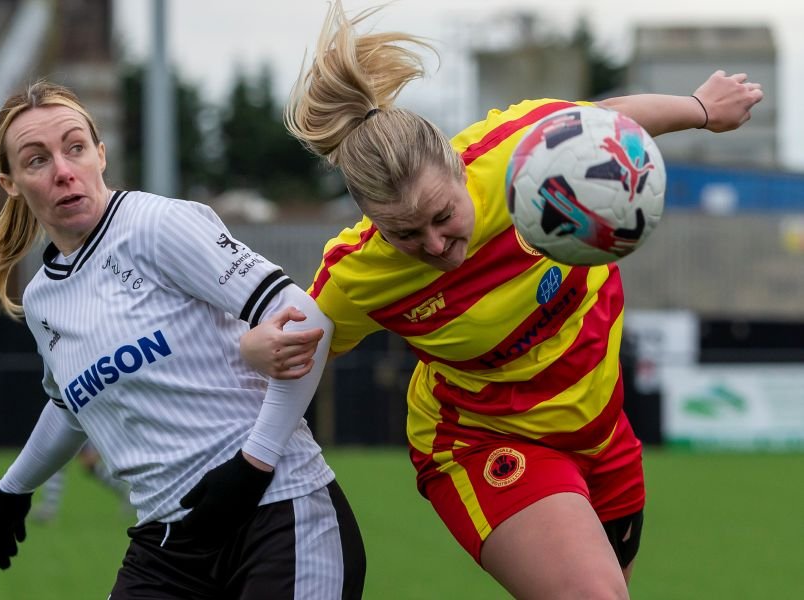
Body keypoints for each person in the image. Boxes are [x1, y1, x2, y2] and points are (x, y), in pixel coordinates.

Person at [241, 1, 764, 598]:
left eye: (442, 216)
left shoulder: (517, 150)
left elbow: (609, 120)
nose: (436, 245)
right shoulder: (357, 275)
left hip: (603, 431)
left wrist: (700, 109)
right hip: (483, 441)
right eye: (404, 235)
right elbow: (286, 345)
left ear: (462, 169)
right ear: (369, 223)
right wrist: (256, 349)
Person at [0, 80, 366, 599]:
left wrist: (251, 465)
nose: (63, 170)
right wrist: (12, 488)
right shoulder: (41, 300)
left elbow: (305, 319)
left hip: (277, 511)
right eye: (36, 160)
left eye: (75, 147)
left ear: (100, 155)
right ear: (10, 182)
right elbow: (70, 408)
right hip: (169, 544)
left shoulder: (156, 225)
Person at [31, 441, 132, 522]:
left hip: (91, 421)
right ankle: (49, 508)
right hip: (80, 420)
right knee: (60, 460)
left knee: (87, 463)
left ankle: (129, 494)